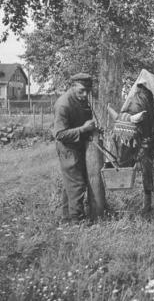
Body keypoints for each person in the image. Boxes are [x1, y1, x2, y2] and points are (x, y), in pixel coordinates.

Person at [54, 73, 97, 224]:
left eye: (88, 91)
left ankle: (66, 218)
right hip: (68, 149)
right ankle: (77, 221)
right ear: (72, 87)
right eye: (82, 91)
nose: (85, 95)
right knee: (77, 184)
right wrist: (84, 129)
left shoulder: (81, 99)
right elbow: (60, 134)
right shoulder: (63, 104)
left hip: (79, 146)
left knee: (70, 184)